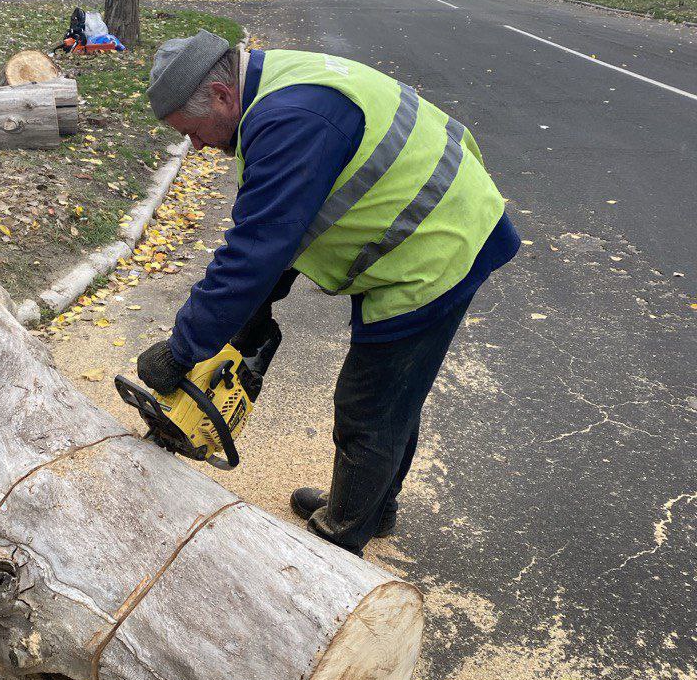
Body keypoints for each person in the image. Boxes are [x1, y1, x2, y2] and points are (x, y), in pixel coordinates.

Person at [134, 30, 520, 557]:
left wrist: (182, 350)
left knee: (370, 405)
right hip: (433, 220)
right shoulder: (273, 88)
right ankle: (372, 506)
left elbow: (255, 251)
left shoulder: (291, 120)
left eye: (193, 131)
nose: (195, 145)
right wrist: (251, 315)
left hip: (436, 246)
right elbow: (292, 220)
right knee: (394, 397)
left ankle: (340, 542)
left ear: (222, 96)